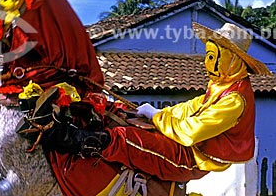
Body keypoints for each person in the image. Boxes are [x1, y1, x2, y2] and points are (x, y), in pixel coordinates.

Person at [54, 22, 271, 183]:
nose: (208, 64)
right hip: (192, 148)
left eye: (215, 58)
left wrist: (156, 118)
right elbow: (188, 107)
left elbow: (191, 131)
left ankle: (73, 141)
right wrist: (156, 112)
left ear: (234, 62)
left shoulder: (234, 100)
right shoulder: (221, 86)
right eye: (208, 56)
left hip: (194, 158)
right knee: (121, 113)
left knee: (126, 139)